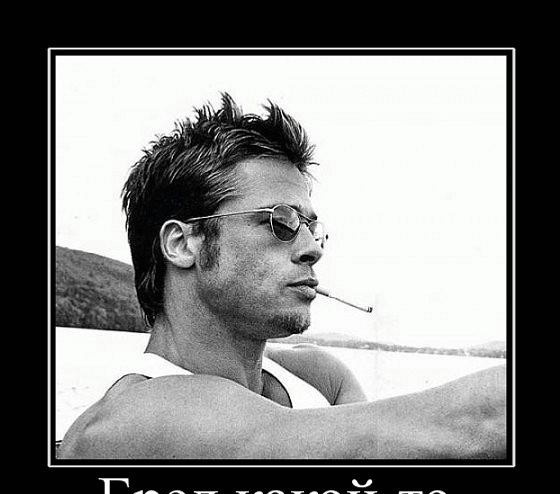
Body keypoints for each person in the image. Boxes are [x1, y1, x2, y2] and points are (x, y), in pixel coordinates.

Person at [59, 93, 506, 460]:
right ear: (182, 244)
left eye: (311, 226)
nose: (312, 248)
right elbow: (471, 424)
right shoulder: (131, 421)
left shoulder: (320, 377)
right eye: (281, 221)